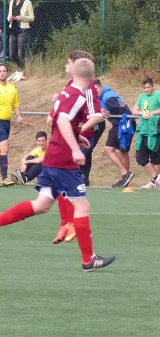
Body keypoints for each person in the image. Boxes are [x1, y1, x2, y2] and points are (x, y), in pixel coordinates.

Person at [0, 58, 116, 272]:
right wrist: (74, 148)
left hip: (53, 156)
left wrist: (76, 136)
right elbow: (61, 120)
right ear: (90, 78)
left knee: (41, 205)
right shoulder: (78, 95)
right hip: (63, 160)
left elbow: (56, 121)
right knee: (82, 206)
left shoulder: (66, 91)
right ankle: (88, 259)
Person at [51, 50, 103, 245]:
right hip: (67, 139)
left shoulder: (88, 88)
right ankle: (66, 223)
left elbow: (97, 115)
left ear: (76, 65)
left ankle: (72, 222)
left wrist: (80, 130)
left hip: (78, 141)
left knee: (66, 181)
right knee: (58, 181)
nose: (65, 66)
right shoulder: (71, 86)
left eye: (68, 63)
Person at [95, 79, 136, 188]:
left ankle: (125, 174)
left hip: (124, 123)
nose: (95, 92)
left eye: (96, 89)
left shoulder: (107, 97)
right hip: (120, 124)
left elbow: (119, 112)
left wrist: (105, 112)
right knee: (123, 152)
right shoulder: (100, 98)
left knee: (109, 149)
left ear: (101, 87)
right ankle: (126, 178)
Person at [133, 78, 160, 189]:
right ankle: (156, 177)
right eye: (144, 88)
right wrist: (143, 113)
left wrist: (151, 113)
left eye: (148, 87)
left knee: (155, 157)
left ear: (152, 86)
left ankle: (155, 182)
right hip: (143, 130)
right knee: (140, 157)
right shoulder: (141, 97)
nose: (146, 89)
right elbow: (134, 111)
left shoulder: (158, 95)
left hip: (154, 131)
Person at [8, 0, 34, 67]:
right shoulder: (12, 2)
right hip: (13, 30)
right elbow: (9, 16)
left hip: (22, 31)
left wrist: (22, 17)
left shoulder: (27, 2)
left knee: (20, 54)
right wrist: (9, 19)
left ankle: (23, 69)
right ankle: (19, 68)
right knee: (12, 55)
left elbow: (32, 18)